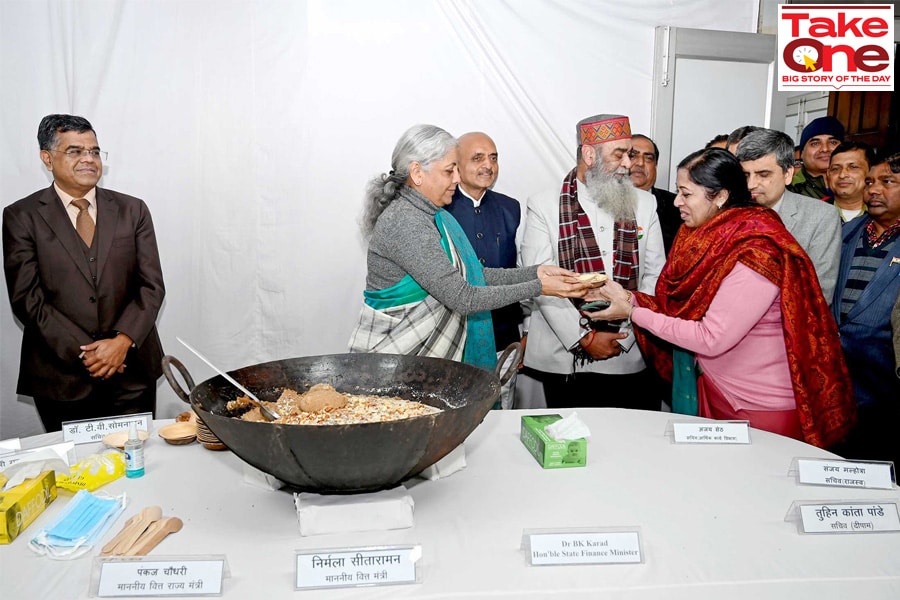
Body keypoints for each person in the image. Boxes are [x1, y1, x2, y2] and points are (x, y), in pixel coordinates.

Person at [587, 148, 855, 448]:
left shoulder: (756, 250)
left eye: (686, 193)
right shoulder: (702, 234)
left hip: (759, 406)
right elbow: (680, 306)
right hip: (717, 390)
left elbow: (711, 337)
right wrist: (627, 297)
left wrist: (633, 312)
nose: (677, 201)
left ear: (720, 197)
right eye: (677, 191)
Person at [348, 124, 592, 384]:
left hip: (415, 365)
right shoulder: (406, 221)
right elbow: (463, 297)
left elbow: (474, 273)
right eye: (449, 170)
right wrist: (539, 286)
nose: (456, 178)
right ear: (417, 172)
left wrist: (535, 272)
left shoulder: (432, 215)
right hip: (396, 361)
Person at [2, 114, 166, 432]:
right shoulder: (21, 217)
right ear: (47, 158)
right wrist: (90, 354)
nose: (88, 159)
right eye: (75, 151)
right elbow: (27, 298)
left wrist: (121, 342)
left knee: (139, 468)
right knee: (77, 479)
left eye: (94, 151)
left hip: (130, 371)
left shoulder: (133, 210)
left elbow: (151, 286)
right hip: (60, 379)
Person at [520, 114, 665, 409]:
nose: (629, 163)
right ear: (589, 154)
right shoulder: (544, 204)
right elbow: (541, 283)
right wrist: (584, 338)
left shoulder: (646, 203)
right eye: (620, 154)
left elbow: (654, 276)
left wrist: (625, 334)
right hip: (566, 358)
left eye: (632, 154)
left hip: (628, 350)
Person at [444, 132, 524, 408]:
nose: (487, 165)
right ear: (456, 165)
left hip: (503, 334)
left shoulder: (510, 208)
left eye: (493, 157)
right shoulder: (440, 209)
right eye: (477, 158)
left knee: (500, 411)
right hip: (454, 339)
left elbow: (516, 270)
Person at [831, 152, 900, 466]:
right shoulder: (844, 233)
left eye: (887, 182)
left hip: (885, 386)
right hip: (836, 384)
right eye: (870, 181)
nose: (873, 190)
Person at [735, 128, 841, 302]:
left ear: (788, 174)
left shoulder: (821, 216)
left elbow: (819, 293)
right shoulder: (729, 213)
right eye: (745, 175)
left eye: (763, 174)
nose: (751, 184)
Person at [629, 134, 681, 255]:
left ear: (656, 165)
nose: (640, 163)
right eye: (633, 155)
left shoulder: (677, 207)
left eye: (648, 158)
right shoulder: (602, 204)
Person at [788, 115, 845, 200]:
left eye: (833, 142)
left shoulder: (860, 186)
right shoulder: (787, 189)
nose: (825, 149)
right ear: (802, 154)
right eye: (815, 143)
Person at [826, 141, 873, 223]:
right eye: (835, 169)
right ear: (828, 174)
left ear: (871, 172)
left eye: (853, 167)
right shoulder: (812, 212)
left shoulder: (885, 216)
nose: (842, 175)